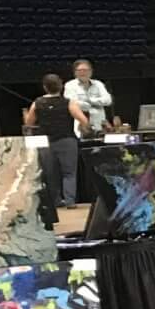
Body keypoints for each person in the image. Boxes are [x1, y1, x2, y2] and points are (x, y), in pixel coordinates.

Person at [24, 74, 89, 208]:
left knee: (50, 173)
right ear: (61, 86)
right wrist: (83, 128)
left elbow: (29, 123)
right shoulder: (68, 102)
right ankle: (70, 202)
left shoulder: (37, 103)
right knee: (69, 173)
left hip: (45, 142)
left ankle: (56, 201)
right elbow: (83, 120)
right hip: (66, 140)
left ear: (44, 87)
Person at [64, 60, 112, 136]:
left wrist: (90, 100)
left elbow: (108, 100)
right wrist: (96, 103)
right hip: (80, 126)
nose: (83, 72)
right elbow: (72, 103)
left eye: (86, 70)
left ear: (91, 71)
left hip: (99, 125)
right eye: (80, 70)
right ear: (75, 72)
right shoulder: (70, 85)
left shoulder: (98, 84)